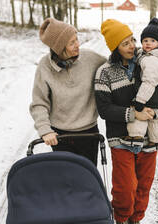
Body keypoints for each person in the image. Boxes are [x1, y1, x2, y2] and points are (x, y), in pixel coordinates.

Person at [94, 19, 158, 224]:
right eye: (125, 43)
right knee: (125, 188)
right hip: (121, 137)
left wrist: (156, 112)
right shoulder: (105, 73)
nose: (132, 46)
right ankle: (121, 219)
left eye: (132, 40)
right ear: (115, 48)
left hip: (149, 138)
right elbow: (104, 109)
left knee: (143, 186)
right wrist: (133, 114)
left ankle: (136, 220)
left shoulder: (147, 62)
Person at [29, 17, 106, 166]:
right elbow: (39, 103)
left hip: (88, 132)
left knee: (87, 179)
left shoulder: (91, 58)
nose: (78, 45)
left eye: (77, 39)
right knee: (65, 181)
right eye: (72, 43)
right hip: (60, 135)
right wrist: (45, 130)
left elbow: (114, 67)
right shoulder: (44, 67)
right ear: (59, 48)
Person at [127, 17, 158, 151]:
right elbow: (142, 54)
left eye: (152, 41)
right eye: (145, 41)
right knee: (155, 119)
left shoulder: (153, 61)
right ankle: (157, 141)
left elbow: (149, 83)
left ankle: (135, 137)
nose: (148, 44)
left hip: (152, 95)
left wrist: (140, 101)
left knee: (141, 113)